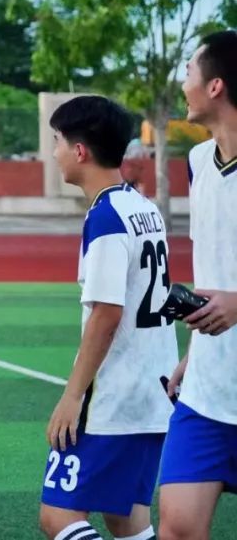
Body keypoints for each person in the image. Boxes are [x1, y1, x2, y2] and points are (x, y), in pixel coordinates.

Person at [38, 95, 177, 540]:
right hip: (151, 396)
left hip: (112, 401)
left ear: (80, 151)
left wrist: (72, 396)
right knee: (128, 521)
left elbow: (106, 313)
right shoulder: (143, 207)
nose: (54, 151)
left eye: (57, 141)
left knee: (58, 518)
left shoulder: (106, 216)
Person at [158, 30, 237, 540]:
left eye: (188, 71)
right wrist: (192, 354)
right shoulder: (197, 163)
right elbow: (216, 267)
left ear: (215, 86)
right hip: (208, 390)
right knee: (179, 528)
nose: (182, 83)